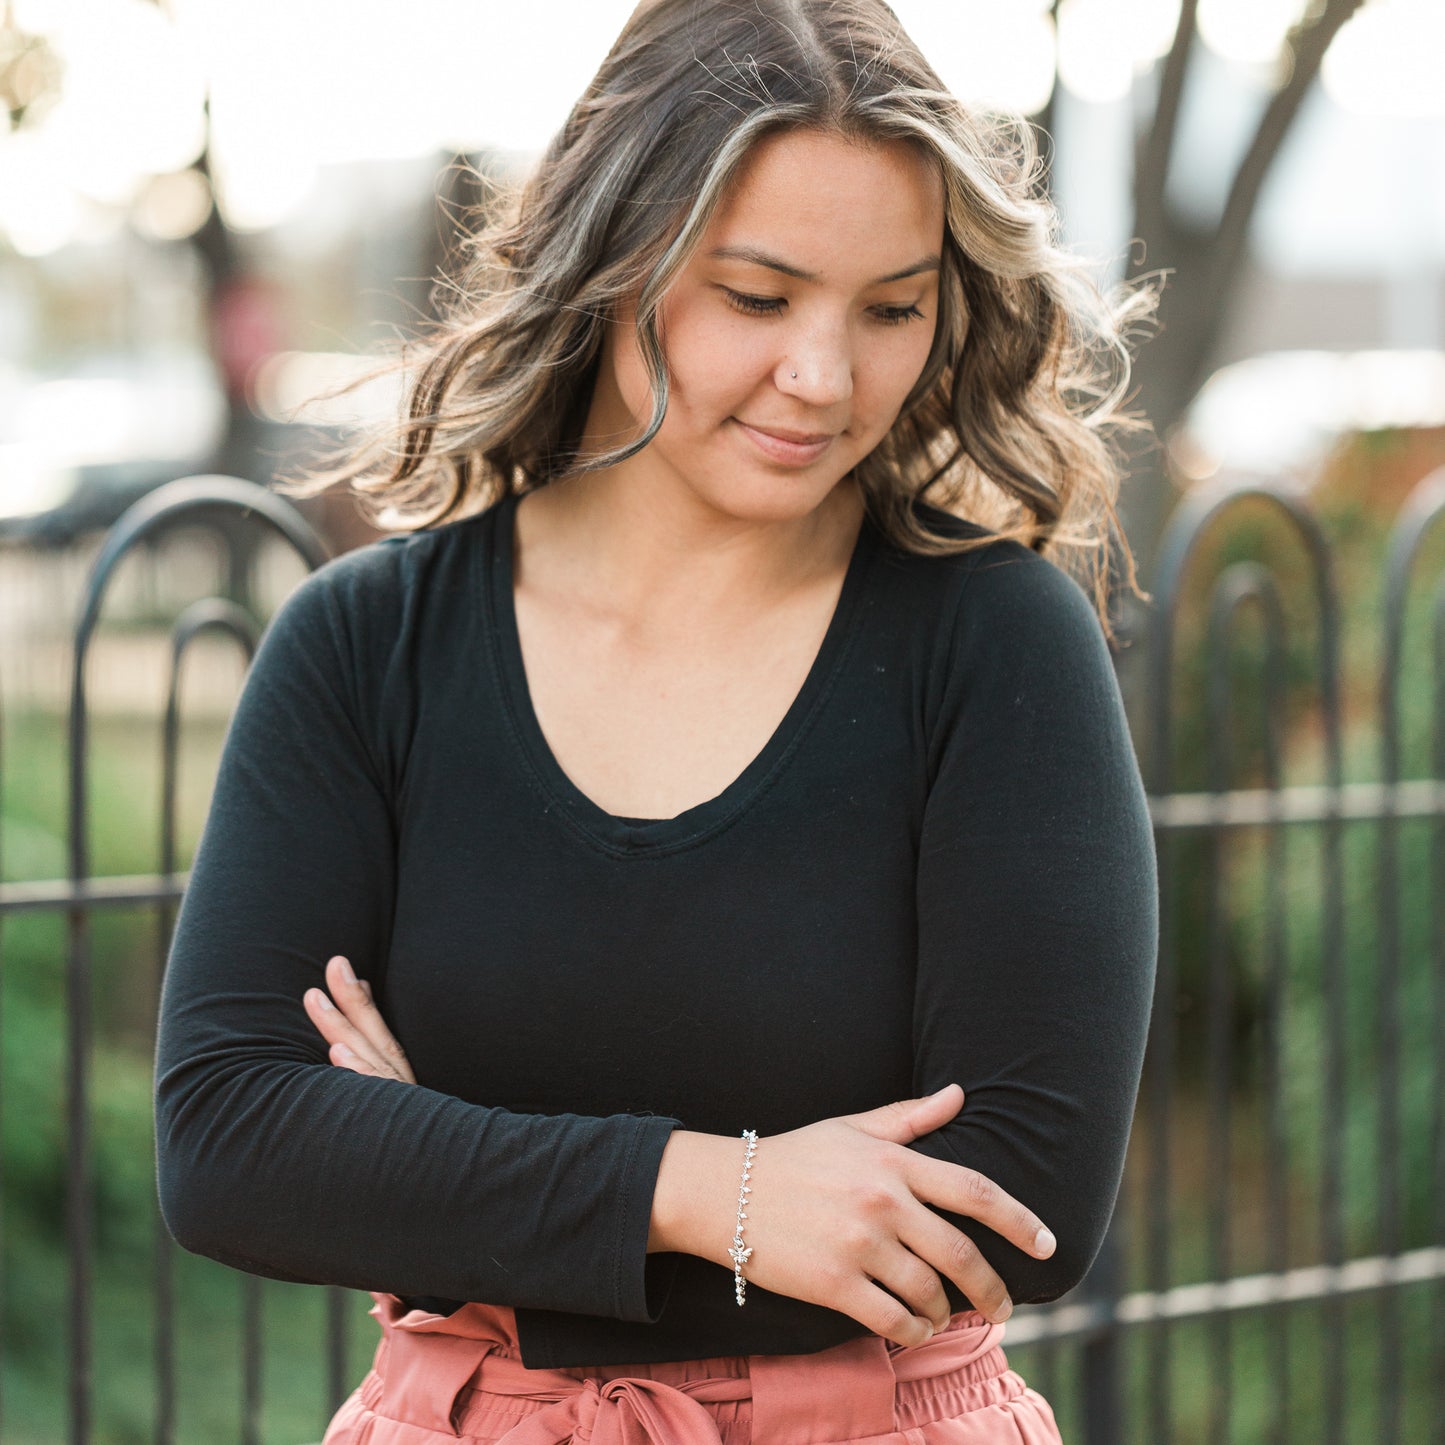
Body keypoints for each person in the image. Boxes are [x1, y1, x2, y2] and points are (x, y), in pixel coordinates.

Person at [153, 2, 1160, 1441]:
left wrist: (434, 1166)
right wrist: (718, 1195)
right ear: (611, 260)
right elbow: (233, 1147)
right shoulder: (367, 644)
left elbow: (1012, 1208)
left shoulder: (992, 644)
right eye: (757, 295)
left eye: (891, 306)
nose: (823, 377)